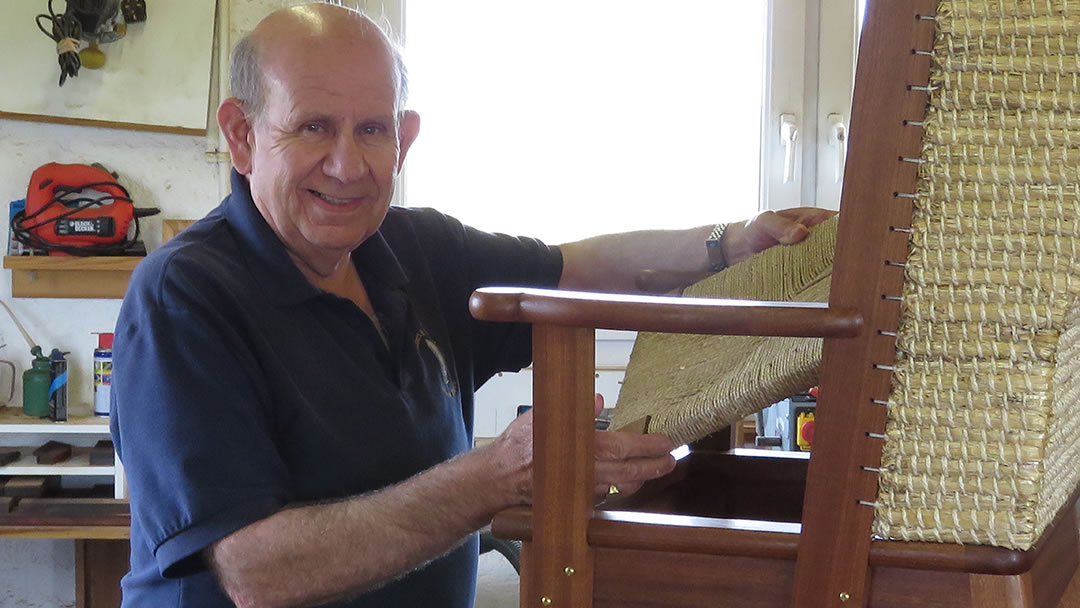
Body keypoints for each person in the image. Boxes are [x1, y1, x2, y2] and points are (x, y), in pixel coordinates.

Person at [109, 4, 834, 607]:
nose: (348, 165)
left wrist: (728, 245)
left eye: (373, 129)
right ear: (241, 136)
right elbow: (257, 572)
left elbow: (571, 270)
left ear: (406, 137)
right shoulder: (183, 298)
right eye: (312, 127)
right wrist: (496, 478)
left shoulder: (414, 247)